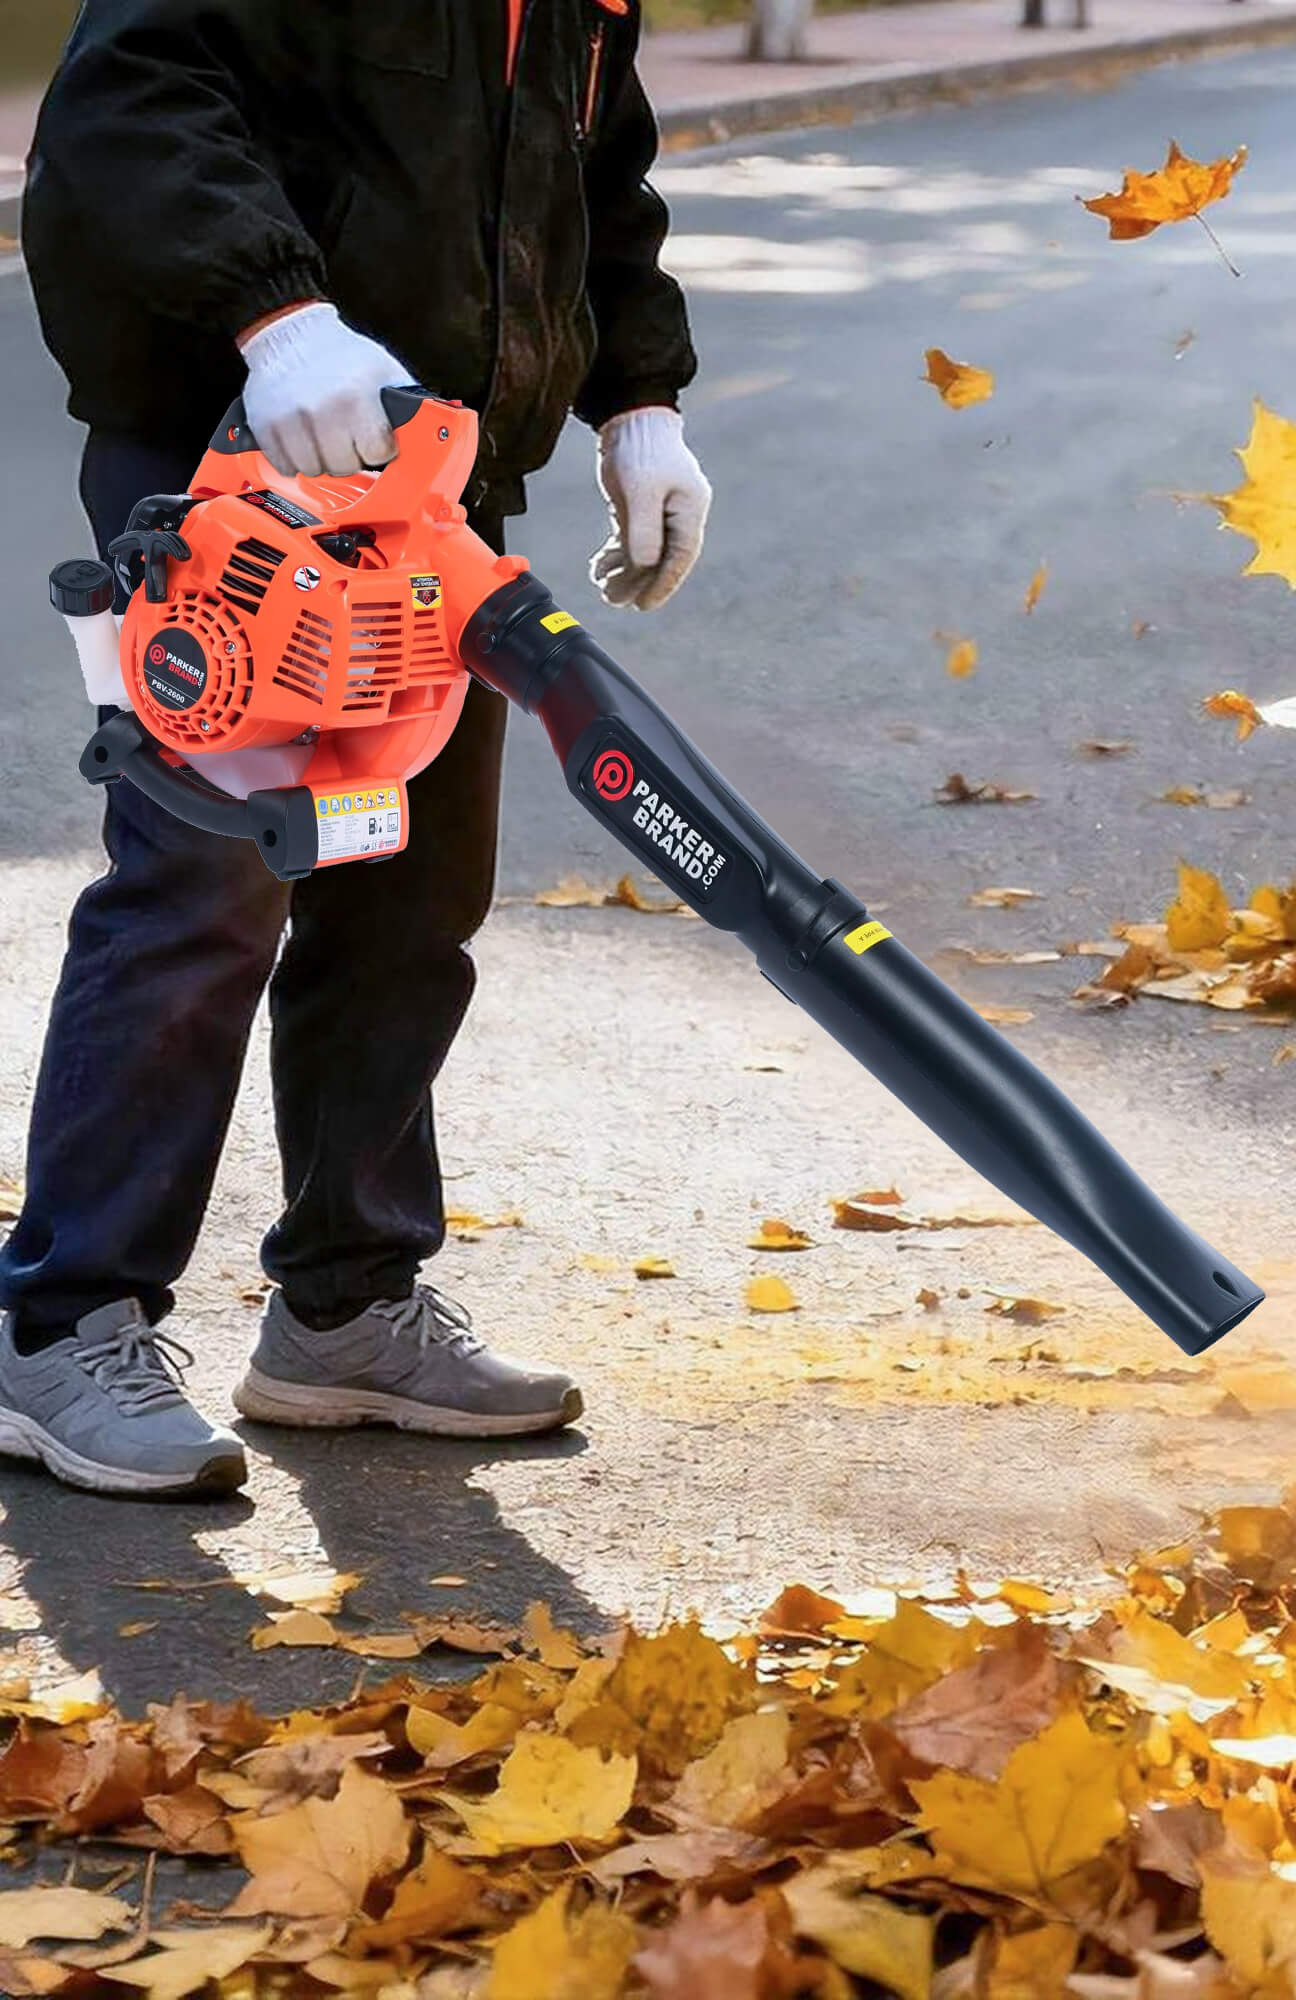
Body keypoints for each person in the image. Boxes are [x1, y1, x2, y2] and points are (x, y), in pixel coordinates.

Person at [0, 0, 712, 1497]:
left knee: (409, 885)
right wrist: (280, 315)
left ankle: (345, 1304)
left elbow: (597, 182)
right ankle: (63, 1323)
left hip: (428, 476)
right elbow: (129, 92)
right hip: (227, 451)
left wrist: (639, 399)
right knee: (210, 884)